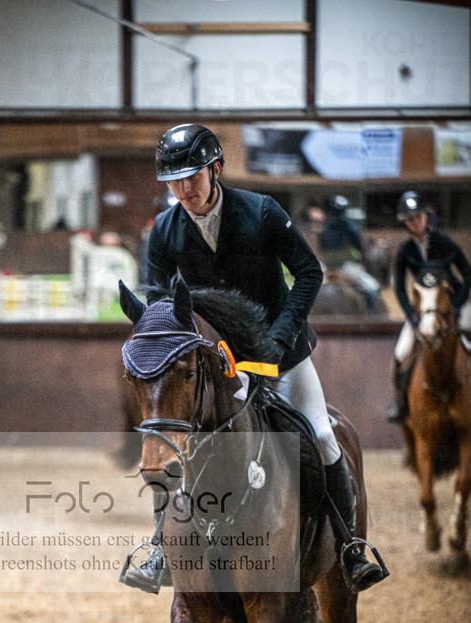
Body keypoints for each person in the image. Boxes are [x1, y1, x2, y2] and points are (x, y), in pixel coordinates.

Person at [122, 123, 386, 595]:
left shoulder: (260, 212)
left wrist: (282, 334)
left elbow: (308, 272)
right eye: (174, 181)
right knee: (174, 444)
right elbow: (161, 304)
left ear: (216, 169)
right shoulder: (164, 230)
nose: (184, 189)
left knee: (322, 435)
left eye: (193, 176)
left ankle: (349, 547)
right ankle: (161, 546)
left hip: (280, 353)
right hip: (218, 362)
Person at [386, 191, 471, 423]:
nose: (416, 222)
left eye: (419, 216)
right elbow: (401, 290)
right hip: (422, 312)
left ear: (426, 216)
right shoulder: (405, 251)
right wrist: (411, 317)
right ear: (405, 222)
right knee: (401, 352)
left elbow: (467, 274)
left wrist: (458, 305)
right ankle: (401, 405)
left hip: (452, 308)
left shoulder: (445, 243)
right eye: (410, 219)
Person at [318, 196, 381, 312]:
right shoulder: (350, 228)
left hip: (326, 268)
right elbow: (361, 251)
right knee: (373, 288)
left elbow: (322, 251)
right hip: (346, 268)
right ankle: (373, 314)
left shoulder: (323, 229)